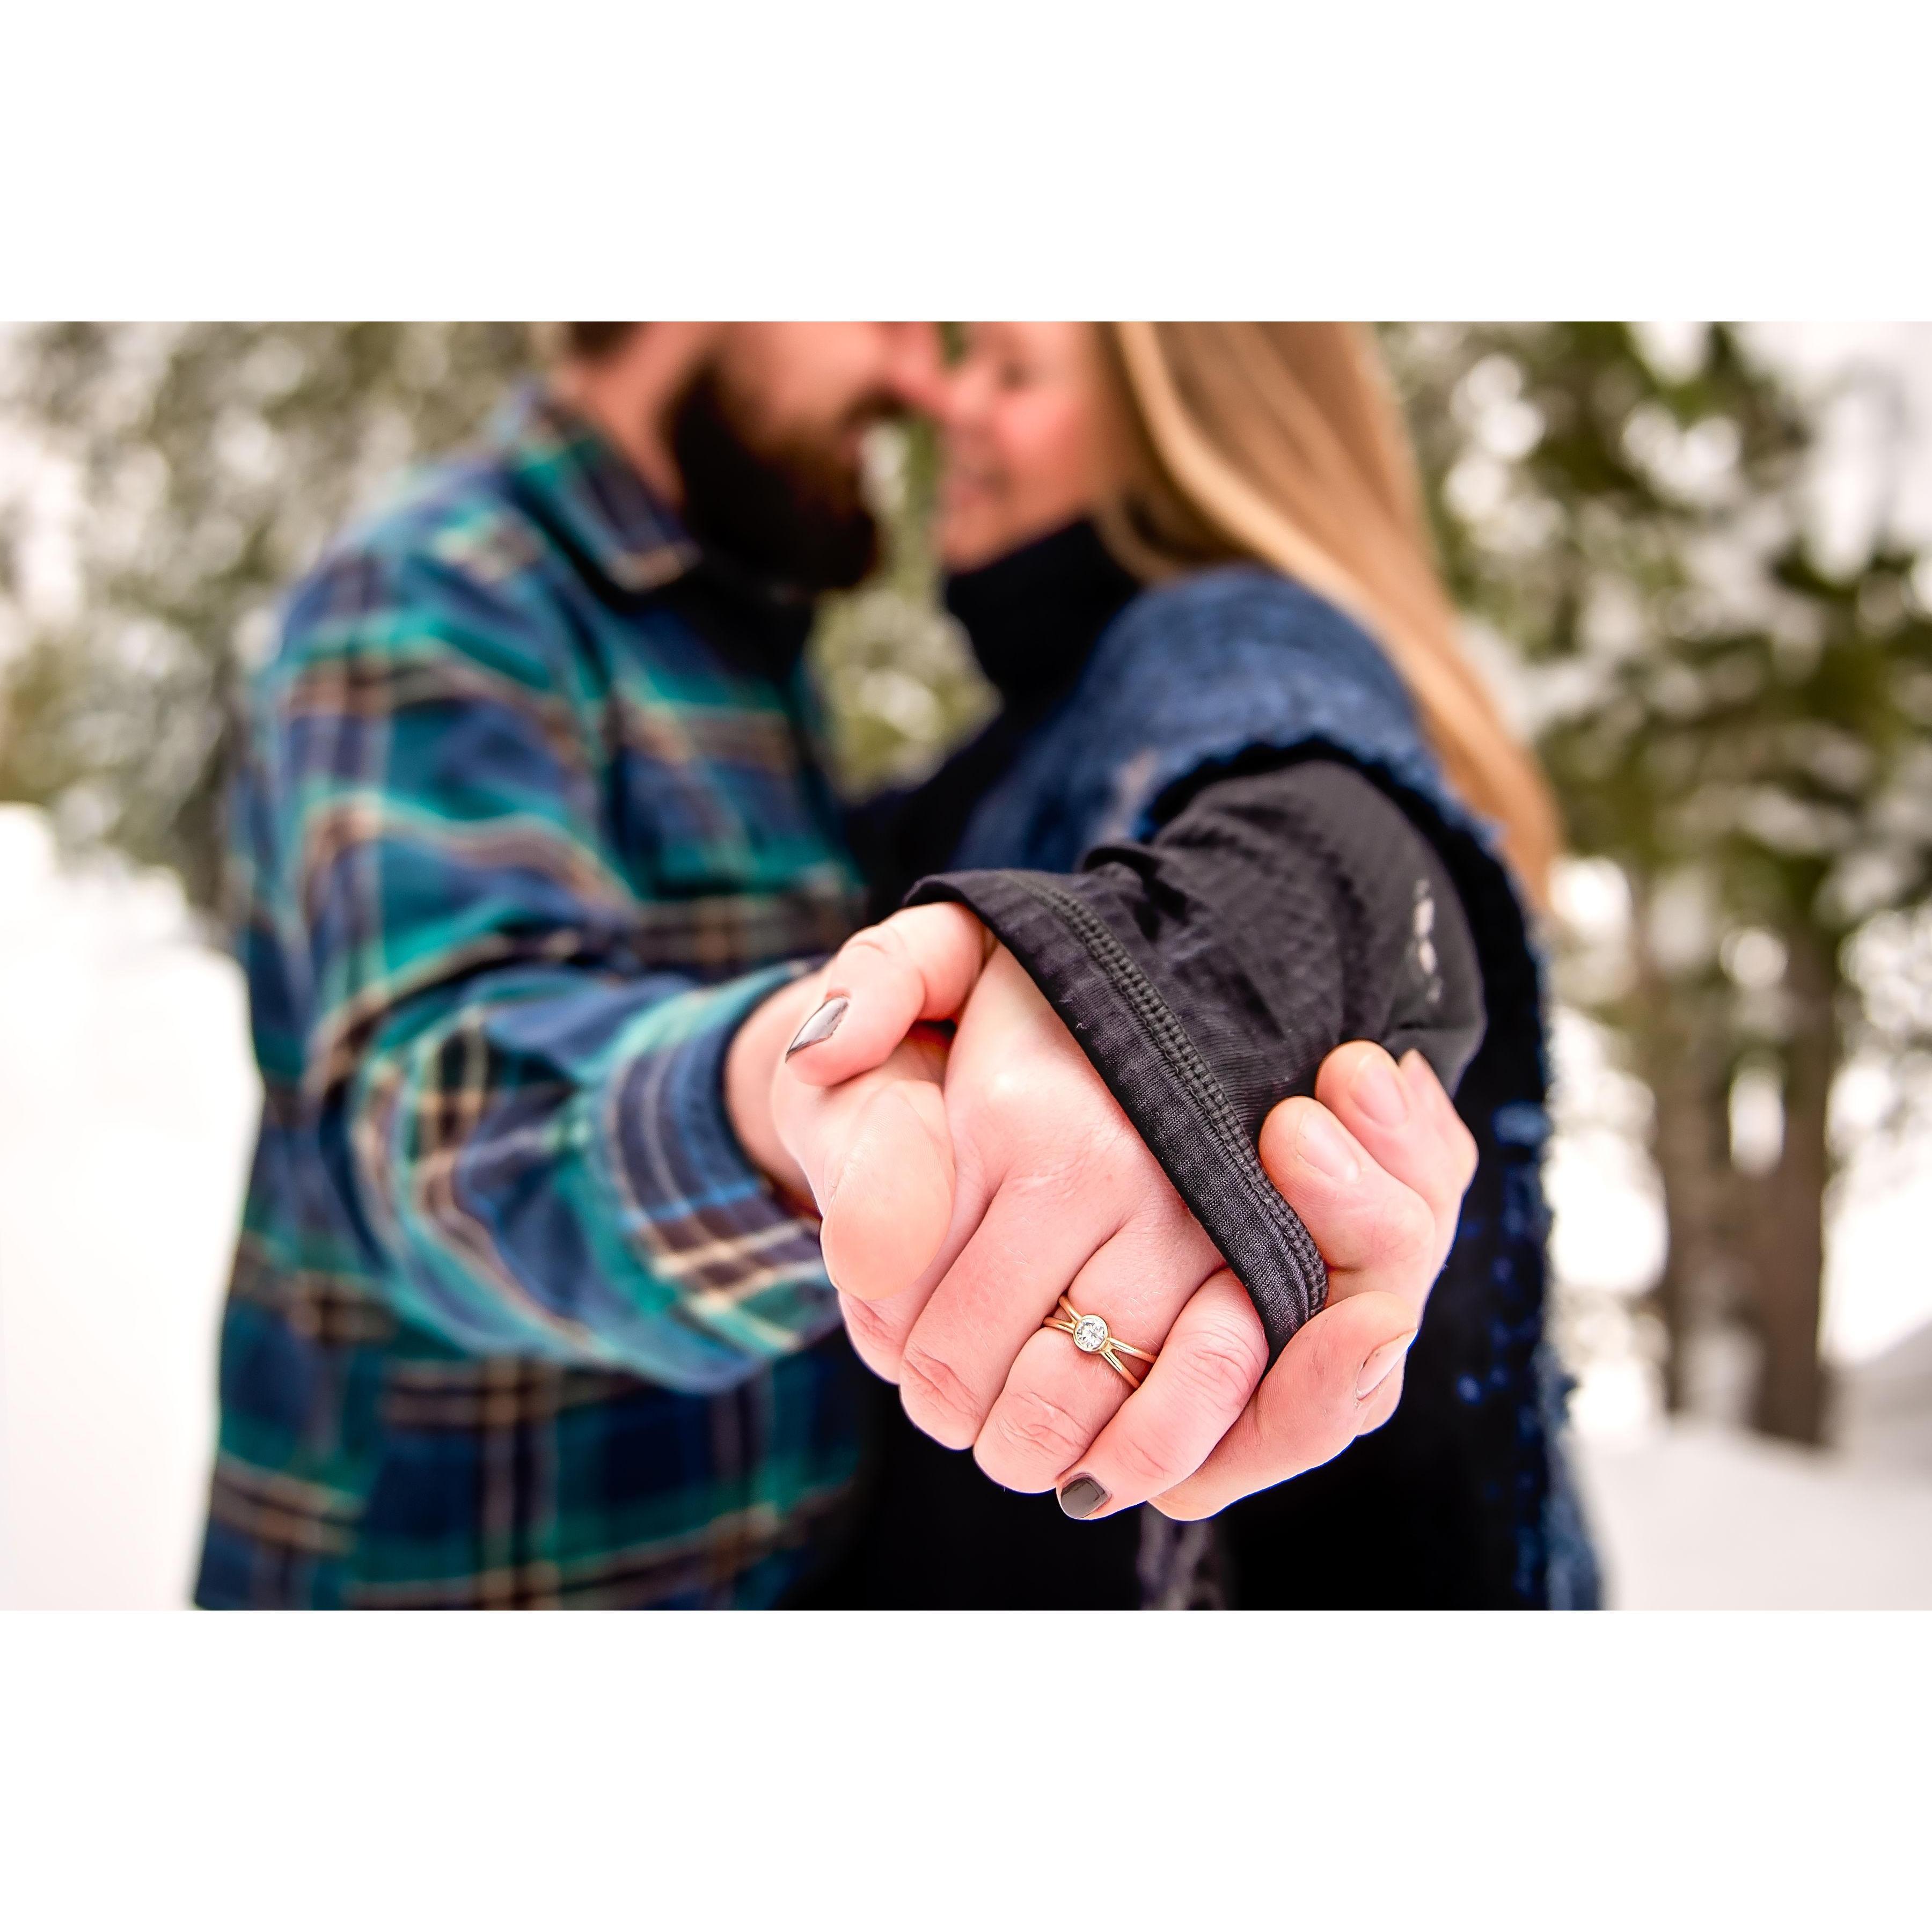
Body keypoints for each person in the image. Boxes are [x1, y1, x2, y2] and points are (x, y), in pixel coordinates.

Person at [195, 321, 1474, 1608]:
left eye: (1001, 365)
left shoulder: (769, 643)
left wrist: (1255, 952)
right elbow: (451, 1119)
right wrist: (796, 1097)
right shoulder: (440, 594)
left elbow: (1266, 722)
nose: (925, 388)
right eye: (892, 308)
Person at [777, 322, 1598, 1606]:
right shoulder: (1018, 742)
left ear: (1187, 425)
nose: (950, 406)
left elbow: (1316, 812)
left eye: (1013, 370)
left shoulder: (1224, 623)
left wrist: (1189, 1006)